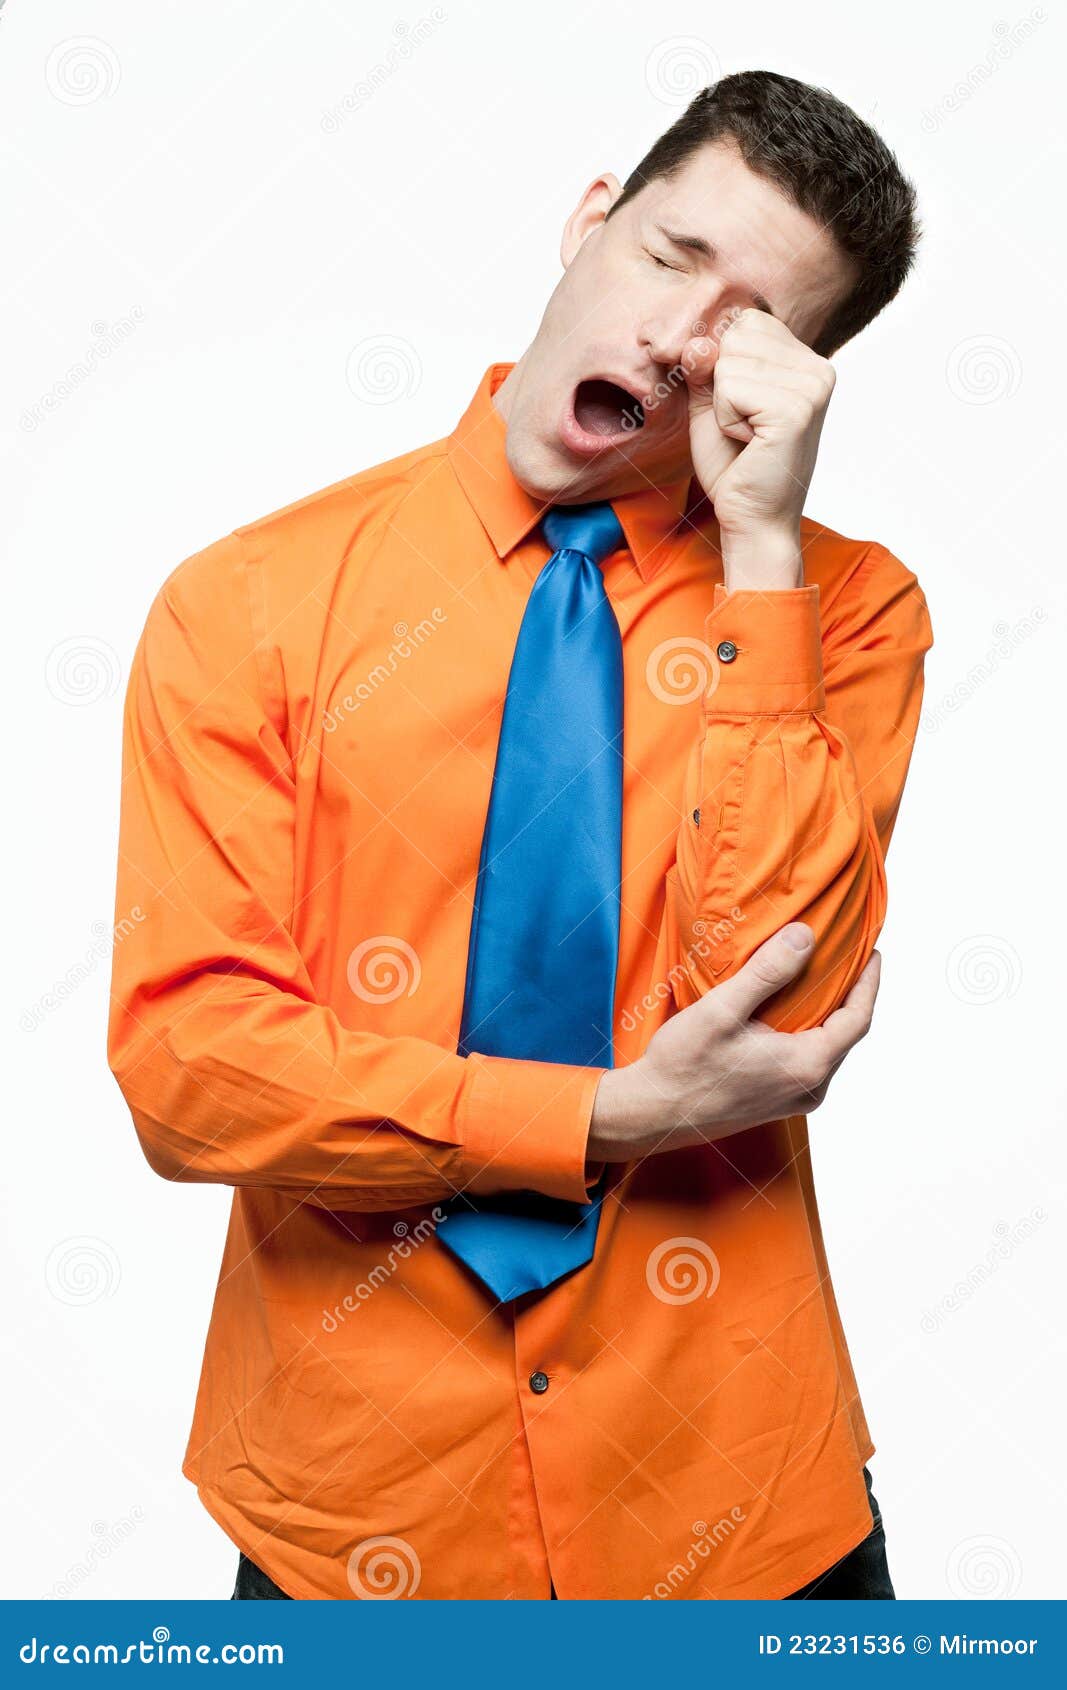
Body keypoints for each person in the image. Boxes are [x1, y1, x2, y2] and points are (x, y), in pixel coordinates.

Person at [108, 70, 933, 1600]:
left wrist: (761, 552)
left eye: (754, 328)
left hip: (740, 1512)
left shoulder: (845, 610)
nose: (679, 339)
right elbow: (192, 1069)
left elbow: (779, 1006)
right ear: (590, 219)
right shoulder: (249, 607)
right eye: (671, 256)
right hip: (364, 1516)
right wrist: (600, 1117)